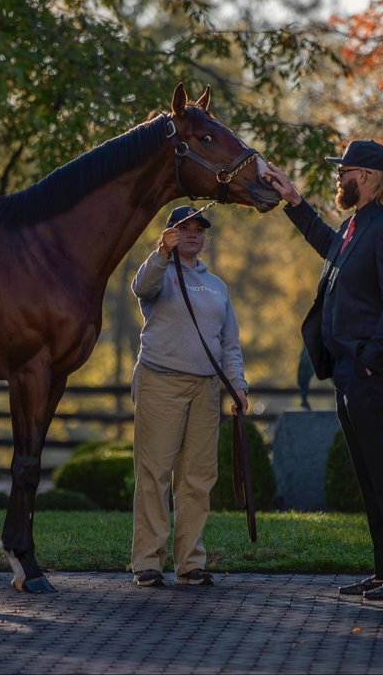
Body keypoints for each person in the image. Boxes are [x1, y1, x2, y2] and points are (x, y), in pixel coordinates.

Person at [263, 140, 383, 600]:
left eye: (347, 171)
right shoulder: (357, 225)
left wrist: (373, 360)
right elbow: (329, 247)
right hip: (347, 371)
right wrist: (293, 202)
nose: (340, 178)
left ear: (372, 177)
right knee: (369, 477)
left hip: (369, 372)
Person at [129, 204, 249, 588]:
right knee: (154, 473)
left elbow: (228, 343)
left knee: (198, 477)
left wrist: (238, 384)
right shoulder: (160, 272)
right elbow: (141, 287)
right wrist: (161, 252)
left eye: (199, 230)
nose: (192, 234)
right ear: (169, 234)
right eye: (184, 228)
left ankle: (190, 562)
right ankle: (148, 561)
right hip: (160, 381)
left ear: (205, 238)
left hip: (206, 388)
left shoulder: (217, 286)